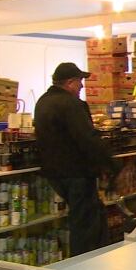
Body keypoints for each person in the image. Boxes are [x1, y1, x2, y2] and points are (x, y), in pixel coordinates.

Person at [34, 62, 119, 256]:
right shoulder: (71, 104)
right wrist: (111, 163)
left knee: (80, 219)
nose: (82, 85)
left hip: (54, 174)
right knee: (86, 224)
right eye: (80, 81)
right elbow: (87, 138)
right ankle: (85, 264)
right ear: (70, 82)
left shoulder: (42, 102)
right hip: (77, 173)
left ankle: (81, 261)